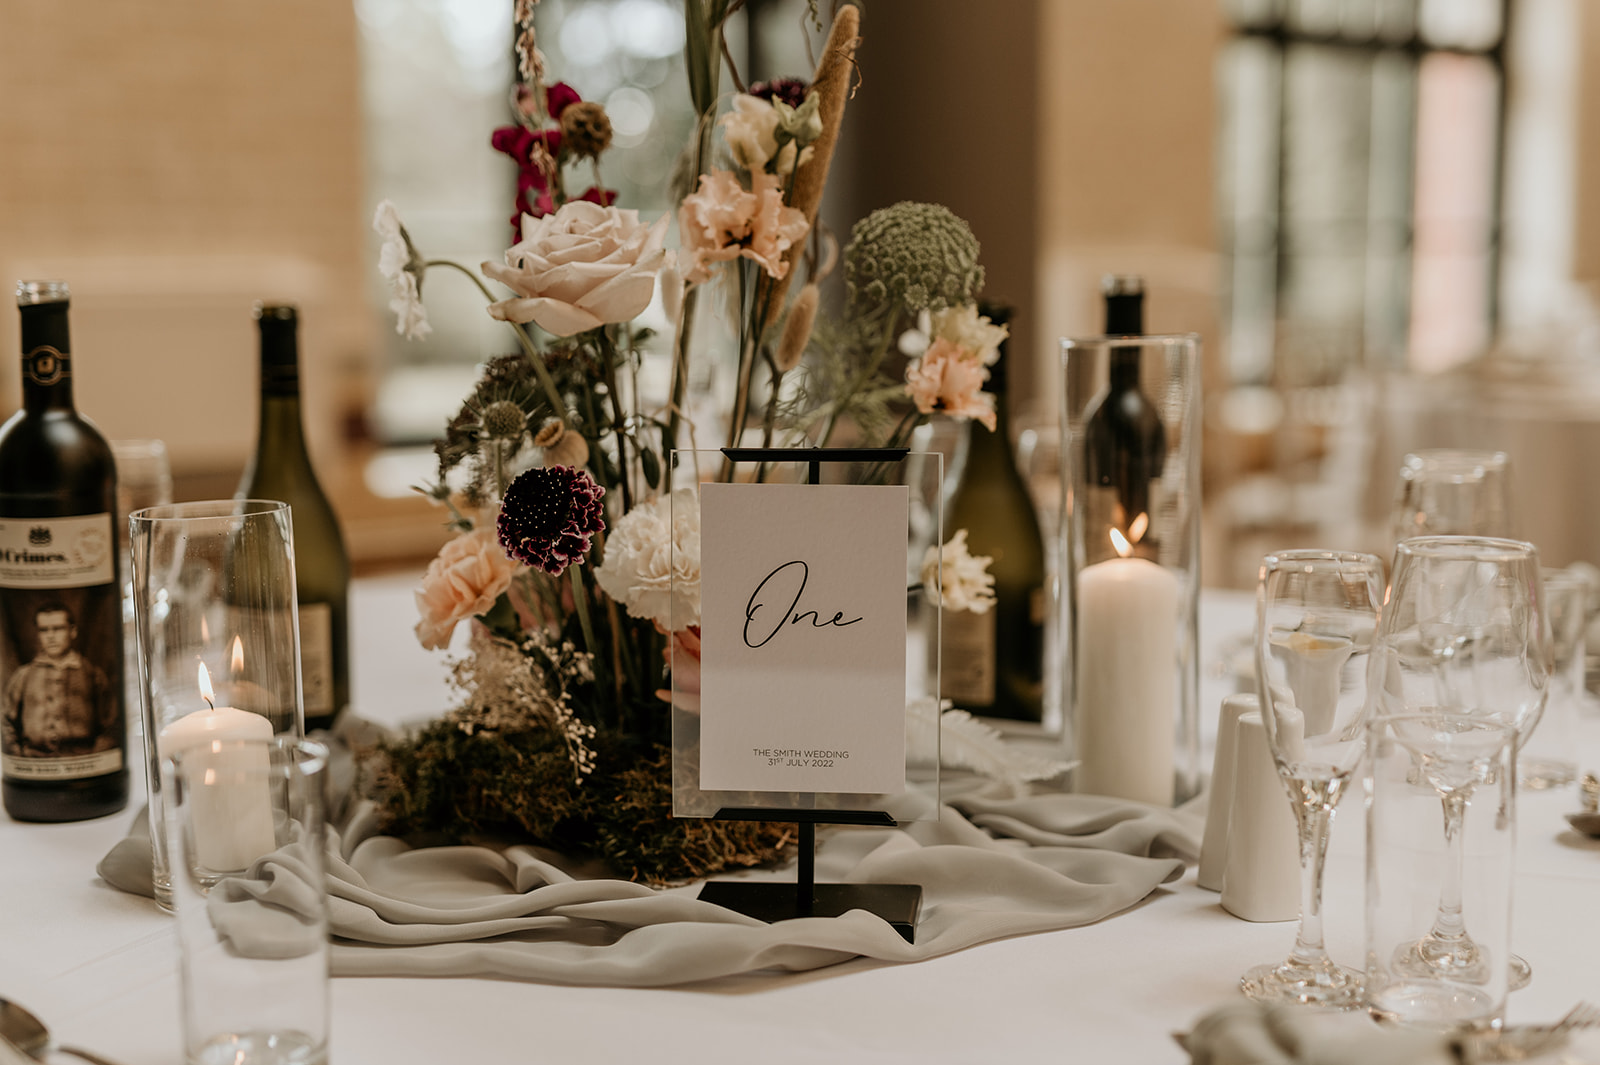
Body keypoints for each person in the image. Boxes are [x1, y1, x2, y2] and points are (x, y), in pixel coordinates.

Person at [3, 601, 114, 756]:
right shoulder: (24, 675)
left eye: (58, 629)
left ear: (73, 631)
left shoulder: (92, 675)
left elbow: (111, 724)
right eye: (44, 630)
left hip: (82, 761)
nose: (51, 636)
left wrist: (96, 754)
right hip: (34, 760)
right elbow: (5, 720)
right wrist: (18, 753)